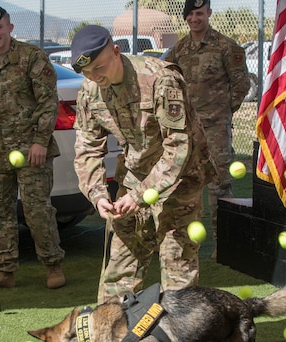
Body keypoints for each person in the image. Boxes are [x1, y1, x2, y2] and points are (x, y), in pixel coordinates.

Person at [71, 25, 215, 304]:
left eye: (99, 68)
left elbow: (178, 148)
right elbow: (87, 148)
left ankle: (179, 339)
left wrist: (140, 196)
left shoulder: (161, 79)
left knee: (177, 267)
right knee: (120, 264)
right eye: (87, 73)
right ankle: (111, 335)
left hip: (180, 179)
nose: (94, 77)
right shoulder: (90, 91)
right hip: (136, 172)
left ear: (116, 52)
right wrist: (98, 194)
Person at [0, 6, 66, 289]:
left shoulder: (32, 57)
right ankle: (3, 271)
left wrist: (40, 141)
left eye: (0, 28)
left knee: (36, 209)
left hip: (32, 146)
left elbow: (48, 101)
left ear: (10, 28)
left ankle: (52, 265)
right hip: (0, 148)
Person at [165, 0, 250, 257]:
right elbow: (166, 79)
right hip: (186, 129)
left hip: (215, 128)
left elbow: (241, 85)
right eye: (190, 14)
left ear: (209, 14)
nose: (194, 18)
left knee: (219, 184)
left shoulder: (226, 47)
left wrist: (223, 112)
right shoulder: (179, 50)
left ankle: (222, 242)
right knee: (182, 183)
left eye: (199, 13)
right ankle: (181, 243)